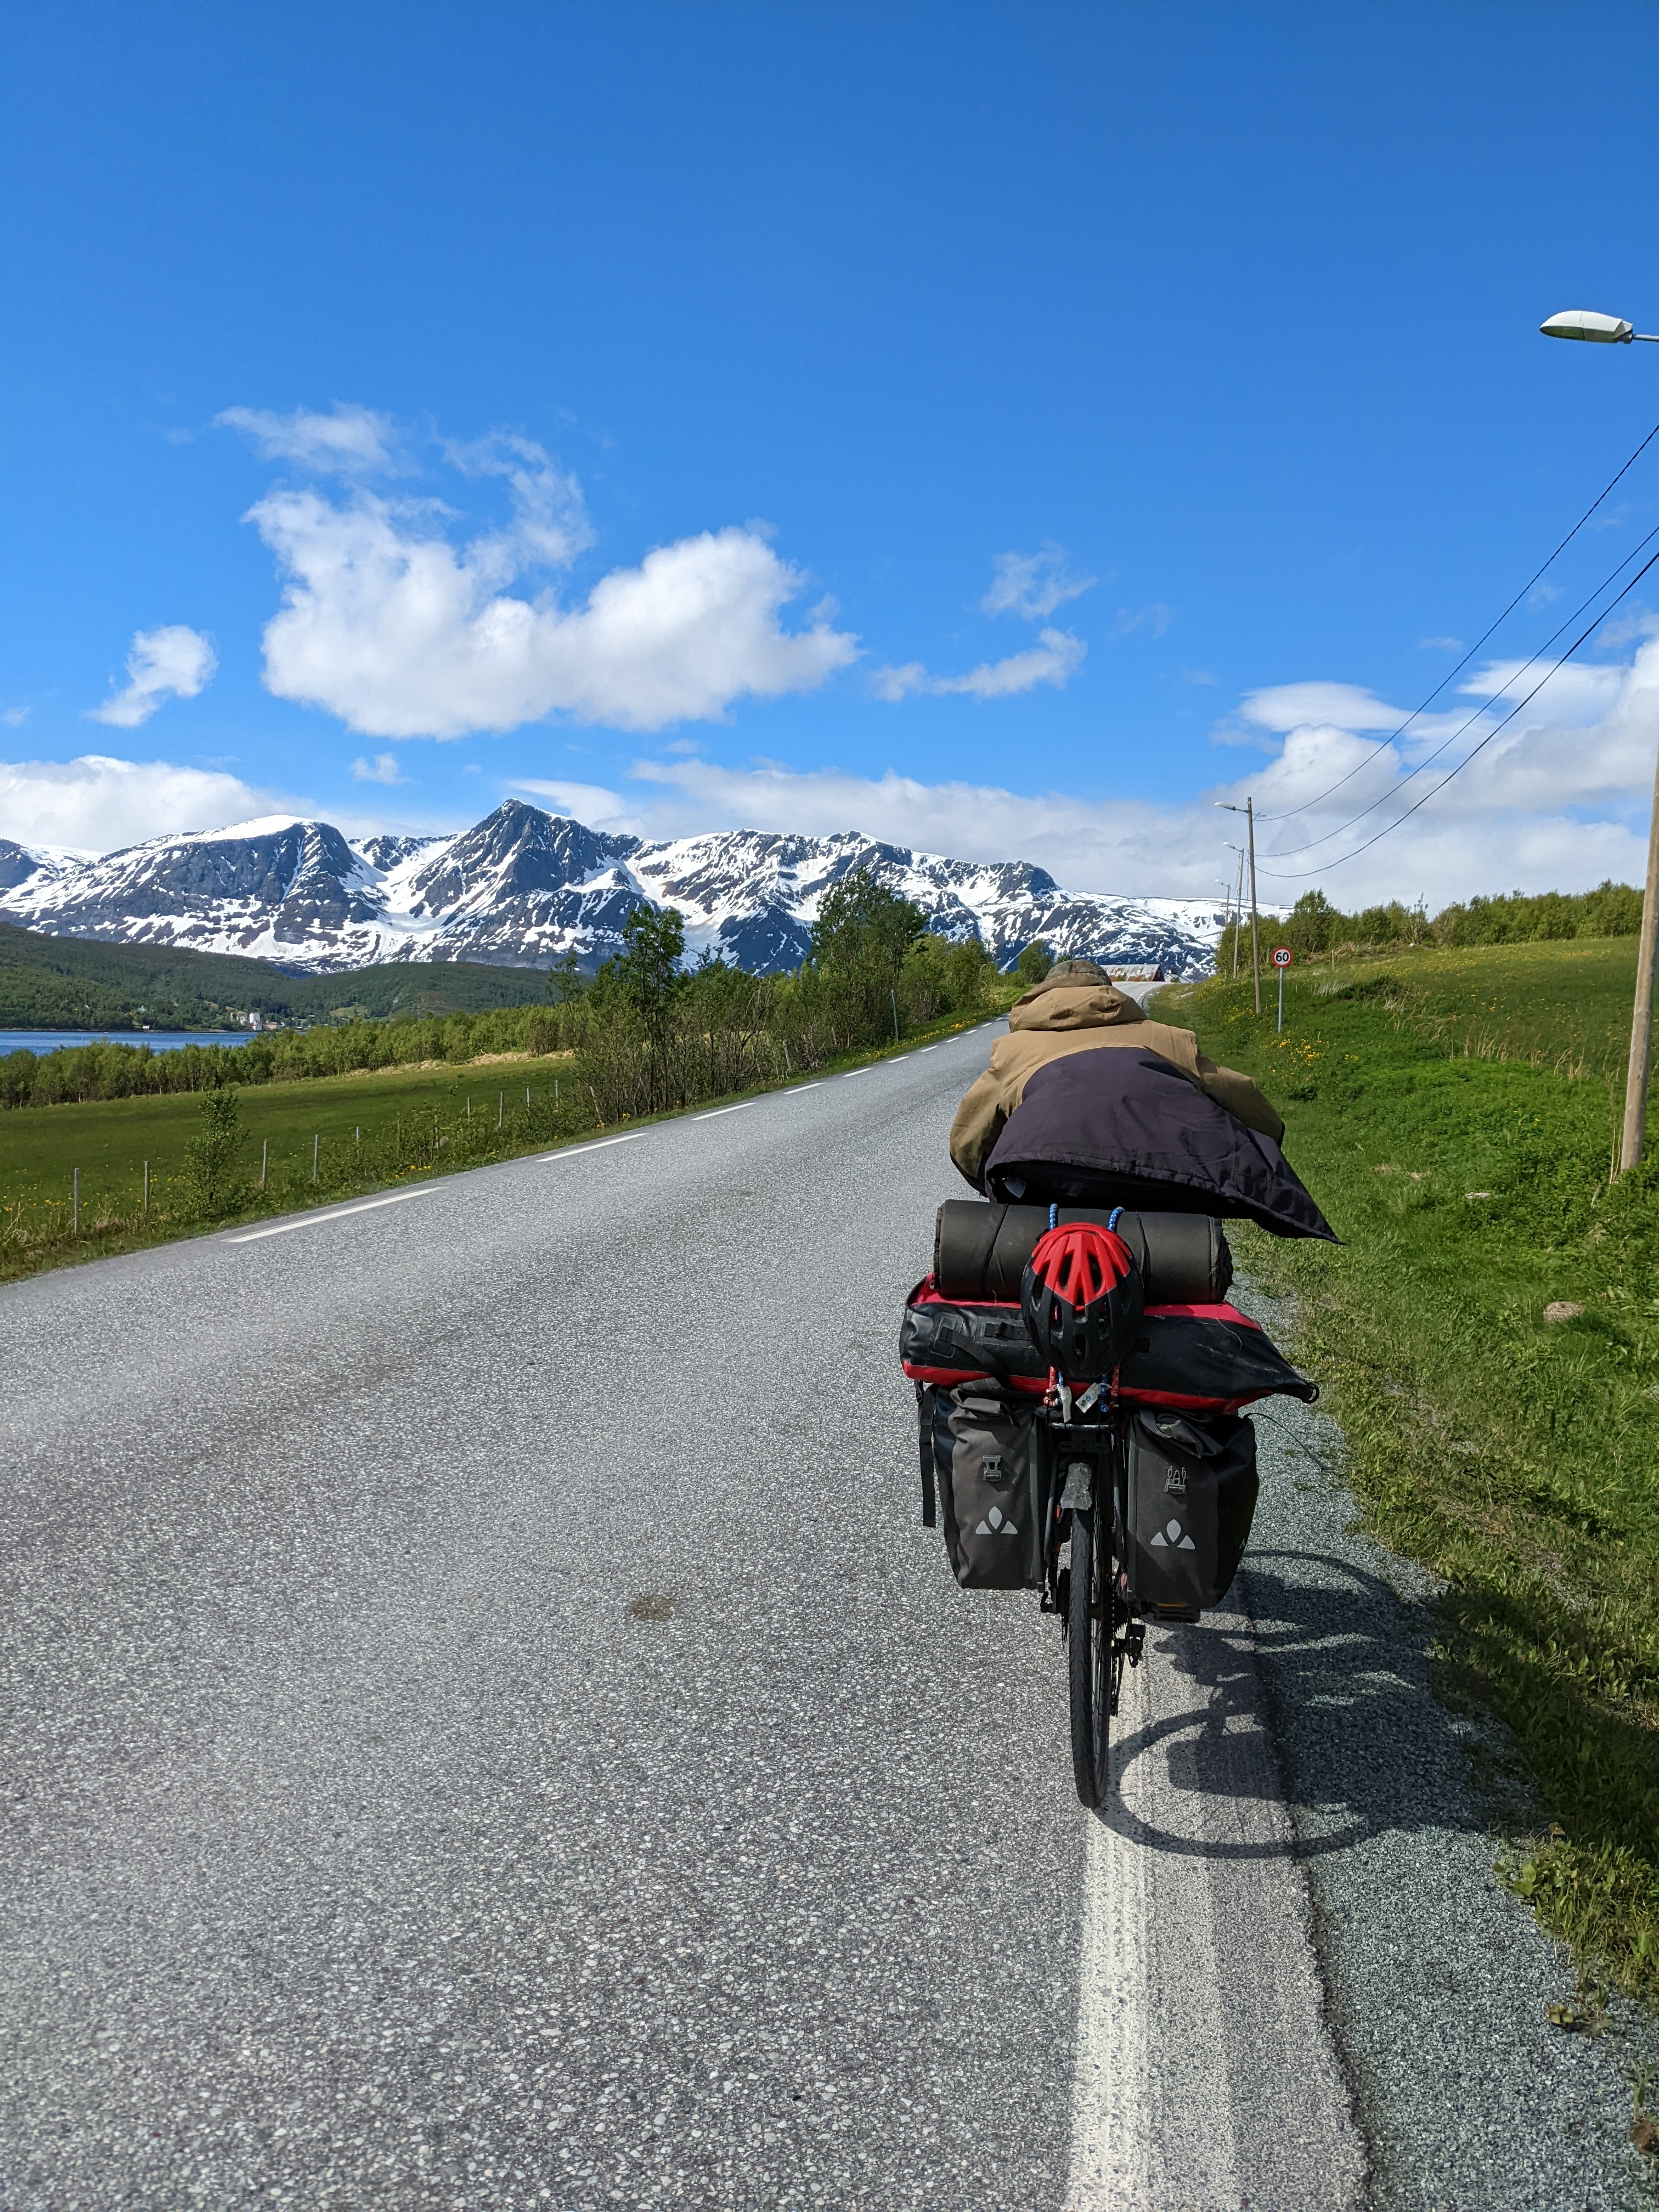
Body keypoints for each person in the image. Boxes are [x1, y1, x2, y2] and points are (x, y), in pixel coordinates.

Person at [949, 957, 1283, 1192]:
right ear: (1112, 995)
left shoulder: (1013, 1050)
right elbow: (1252, 1108)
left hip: (1045, 1181)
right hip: (1163, 1181)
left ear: (1042, 997)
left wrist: (992, 1185)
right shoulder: (1171, 1039)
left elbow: (967, 1141)